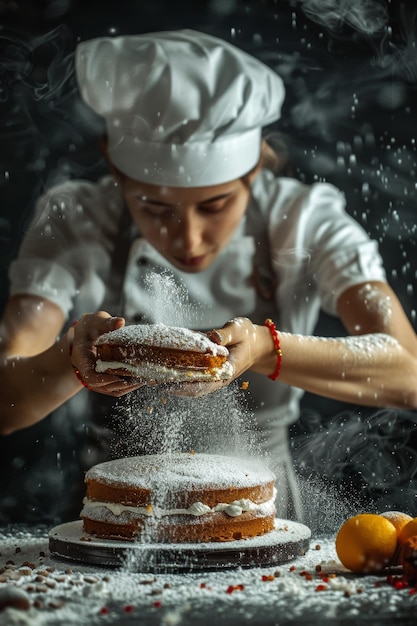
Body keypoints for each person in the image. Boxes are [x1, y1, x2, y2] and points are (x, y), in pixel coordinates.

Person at [1, 29, 417, 523]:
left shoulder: (306, 221)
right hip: (113, 512)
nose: (188, 240)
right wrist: (68, 357)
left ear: (255, 170)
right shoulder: (74, 218)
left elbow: (408, 374)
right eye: (154, 208)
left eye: (215, 205)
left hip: (262, 512)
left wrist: (265, 348)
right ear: (117, 170)